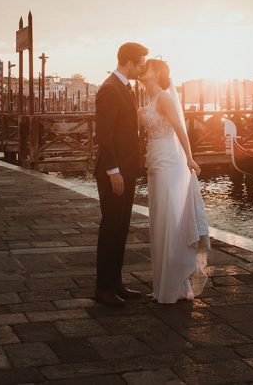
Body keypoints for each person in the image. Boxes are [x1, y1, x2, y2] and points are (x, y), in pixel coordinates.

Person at [139, 59, 209, 303]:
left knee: (169, 220)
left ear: (156, 73)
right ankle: (162, 286)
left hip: (170, 162)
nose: (141, 70)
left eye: (146, 67)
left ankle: (173, 285)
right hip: (155, 163)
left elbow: (180, 129)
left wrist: (189, 158)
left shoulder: (165, 99)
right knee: (158, 221)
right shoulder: (149, 101)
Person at [93, 41, 149, 307]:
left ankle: (115, 283)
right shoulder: (110, 90)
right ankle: (103, 289)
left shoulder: (124, 88)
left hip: (127, 169)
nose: (142, 69)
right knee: (111, 228)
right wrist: (113, 170)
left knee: (122, 228)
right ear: (128, 63)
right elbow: (104, 136)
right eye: (140, 64)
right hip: (114, 172)